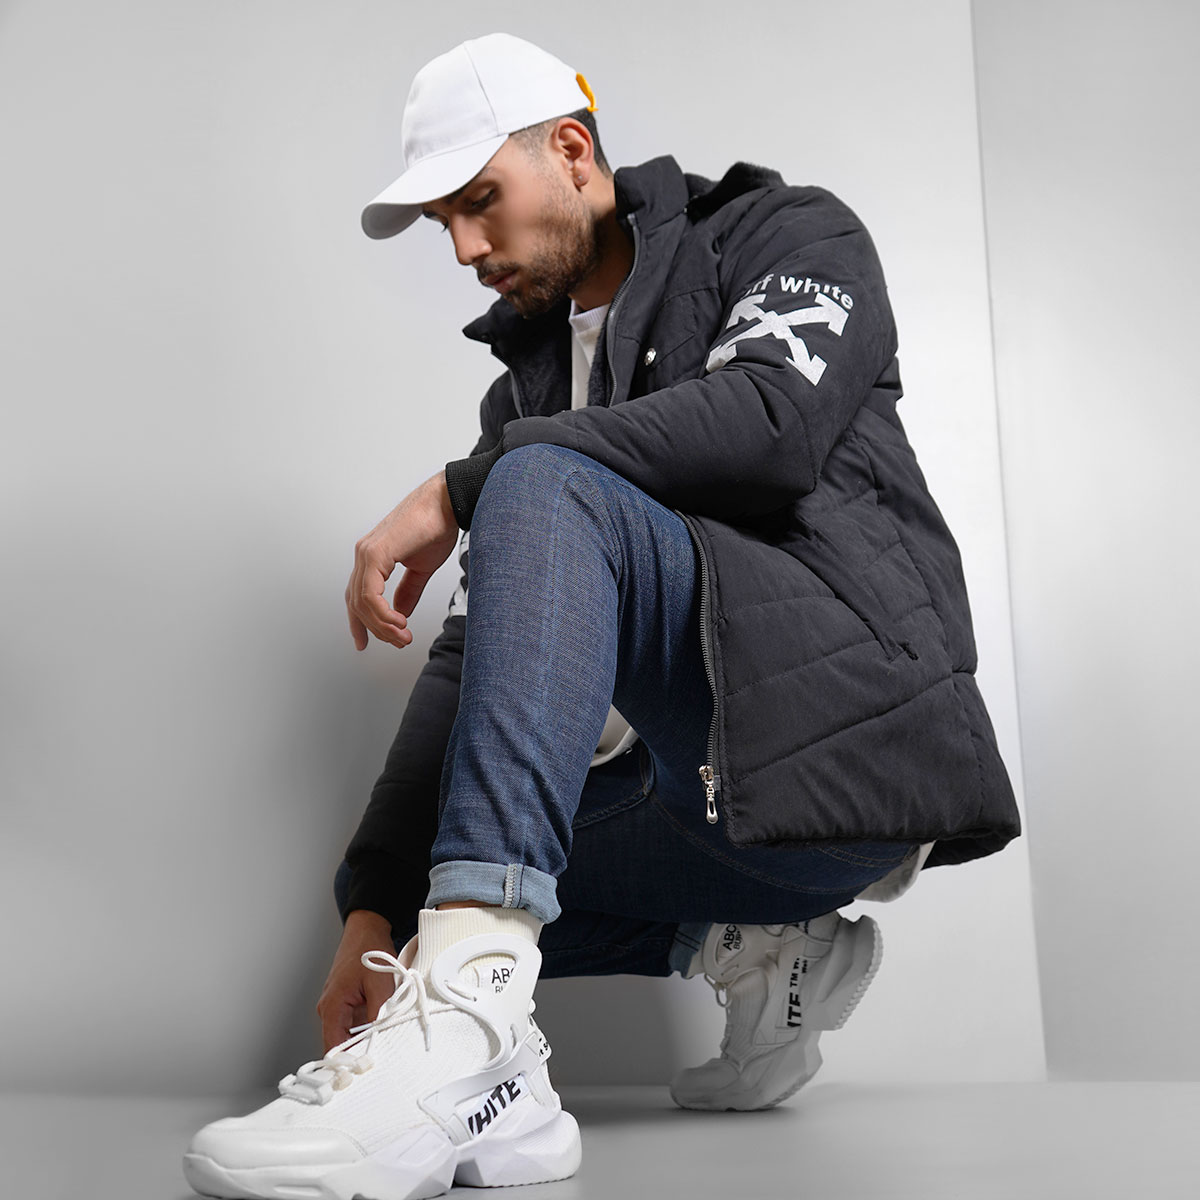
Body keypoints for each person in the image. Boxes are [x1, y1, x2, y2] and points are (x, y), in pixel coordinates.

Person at [183, 31, 1019, 1200]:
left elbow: (770, 424)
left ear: (572, 152)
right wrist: (368, 907)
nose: (466, 248)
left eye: (481, 201)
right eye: (444, 223)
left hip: (850, 764)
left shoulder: (787, 234)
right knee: (430, 919)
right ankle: (734, 962)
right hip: (692, 810)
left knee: (538, 480)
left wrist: (465, 487)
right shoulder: (526, 392)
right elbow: (474, 656)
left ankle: (467, 1035)